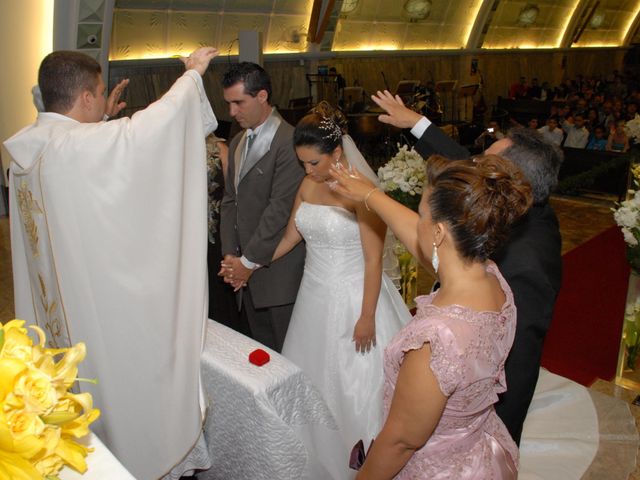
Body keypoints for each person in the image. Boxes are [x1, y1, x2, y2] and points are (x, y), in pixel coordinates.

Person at [5, 47, 219, 479]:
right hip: (96, 315)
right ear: (85, 97)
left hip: (60, 315)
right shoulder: (76, 147)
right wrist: (192, 77)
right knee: (120, 396)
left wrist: (102, 124)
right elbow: (149, 132)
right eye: (100, 94)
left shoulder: (29, 148)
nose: (104, 102)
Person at [368, 90, 563, 446]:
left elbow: (516, 362)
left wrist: (494, 436)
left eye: (481, 163)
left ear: (505, 179)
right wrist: (417, 123)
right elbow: (462, 163)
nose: (471, 165)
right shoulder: (520, 205)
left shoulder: (526, 262)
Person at [329, 154, 533, 478]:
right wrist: (371, 195)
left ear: (439, 232)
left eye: (421, 214)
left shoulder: (435, 341)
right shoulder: (492, 279)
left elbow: (401, 442)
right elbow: (423, 242)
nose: (416, 221)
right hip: (477, 448)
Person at [268, 103, 411, 479]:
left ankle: (362, 454)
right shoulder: (308, 184)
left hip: (355, 297)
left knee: (355, 381)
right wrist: (253, 264)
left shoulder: (363, 194)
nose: (308, 171)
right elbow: (290, 235)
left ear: (336, 153)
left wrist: (366, 317)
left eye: (314, 162)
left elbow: (373, 261)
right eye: (302, 164)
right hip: (313, 296)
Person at [219, 62, 305, 352]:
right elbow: (230, 200)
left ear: (262, 96)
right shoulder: (237, 142)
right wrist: (231, 257)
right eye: (229, 103)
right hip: (245, 276)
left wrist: (247, 263)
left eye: (238, 103)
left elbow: (279, 210)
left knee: (289, 359)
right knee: (263, 362)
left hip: (278, 276)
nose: (232, 112)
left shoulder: (289, 141)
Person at [206, 133, 244, 331]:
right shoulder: (166, 145)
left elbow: (234, 196)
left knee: (219, 296)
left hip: (215, 235)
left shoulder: (220, 149)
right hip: (182, 238)